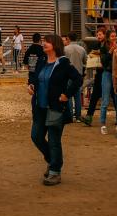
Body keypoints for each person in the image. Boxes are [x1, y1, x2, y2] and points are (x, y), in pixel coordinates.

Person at [28, 34, 81, 186]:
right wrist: (30, 85)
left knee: (53, 141)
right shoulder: (41, 60)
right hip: (39, 107)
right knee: (36, 136)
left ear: (55, 45)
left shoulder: (63, 63)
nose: (44, 44)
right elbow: (33, 76)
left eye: (47, 42)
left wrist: (67, 94)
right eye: (44, 41)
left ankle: (55, 172)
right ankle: (53, 161)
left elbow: (78, 79)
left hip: (56, 108)